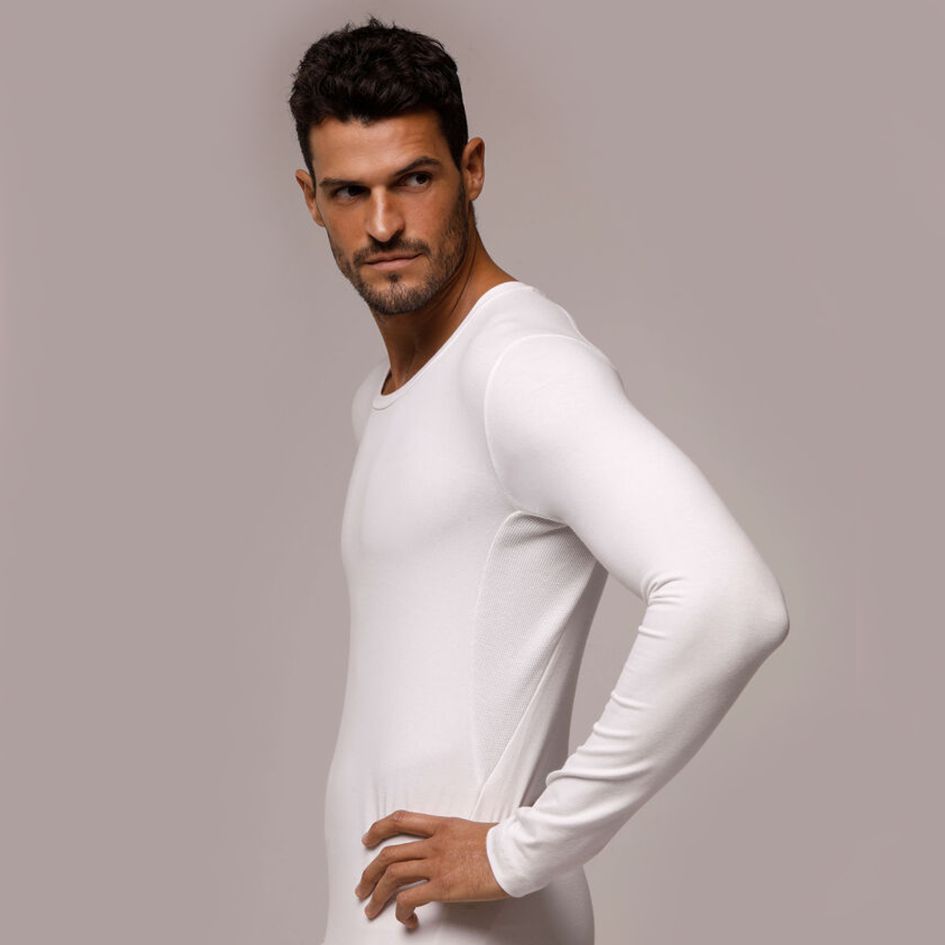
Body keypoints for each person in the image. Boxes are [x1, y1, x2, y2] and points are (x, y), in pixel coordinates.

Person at [289, 15, 790, 945]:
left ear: (471, 169)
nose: (383, 223)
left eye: (414, 179)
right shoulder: (386, 398)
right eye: (349, 192)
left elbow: (729, 600)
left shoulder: (516, 369)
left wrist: (521, 850)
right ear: (310, 199)